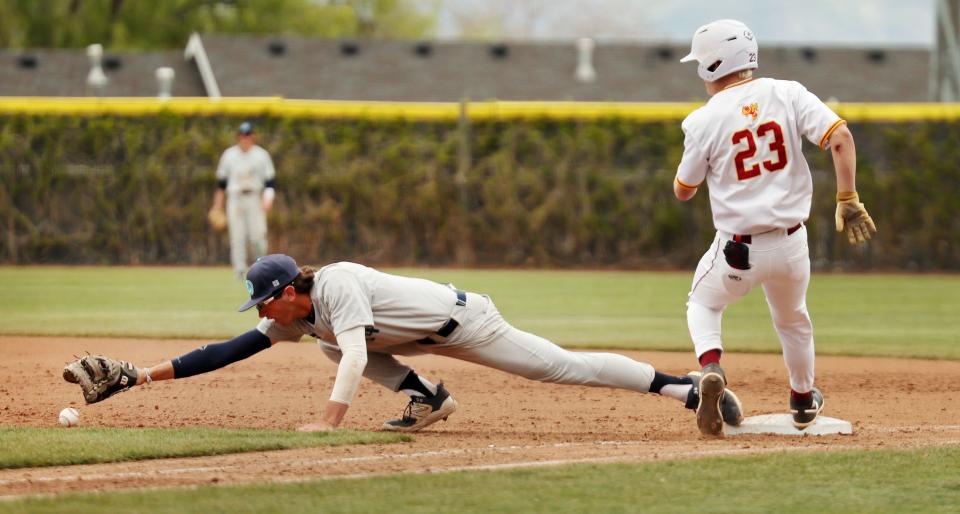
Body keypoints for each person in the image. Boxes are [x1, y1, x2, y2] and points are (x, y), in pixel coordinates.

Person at [63, 254, 744, 434]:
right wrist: (143, 377)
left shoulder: (336, 286)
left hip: (464, 322)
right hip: (412, 338)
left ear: (288, 289)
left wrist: (330, 422)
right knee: (325, 346)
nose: (264, 313)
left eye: (267, 301)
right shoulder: (298, 316)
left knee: (556, 368)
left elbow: (359, 356)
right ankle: (428, 400)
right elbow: (230, 349)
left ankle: (683, 389)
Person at [672, 19, 877, 436]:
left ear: (711, 66)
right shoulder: (788, 93)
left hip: (737, 251)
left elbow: (684, 190)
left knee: (702, 304)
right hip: (790, 244)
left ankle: (711, 367)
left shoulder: (703, 119)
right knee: (793, 320)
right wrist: (847, 198)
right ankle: (802, 400)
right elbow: (841, 138)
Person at [210, 121, 277, 280]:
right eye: (242, 135)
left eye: (248, 135)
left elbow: (270, 182)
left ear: (253, 136)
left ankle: (261, 267)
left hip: (254, 198)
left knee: (258, 237)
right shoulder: (229, 155)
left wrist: (268, 199)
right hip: (235, 199)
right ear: (238, 137)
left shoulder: (261, 155)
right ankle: (239, 271)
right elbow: (221, 183)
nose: (245, 138)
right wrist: (217, 206)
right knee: (237, 237)